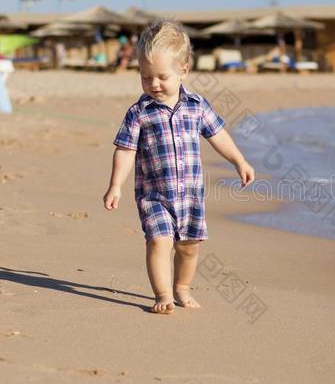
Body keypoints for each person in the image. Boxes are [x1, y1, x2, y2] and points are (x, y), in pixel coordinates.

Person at [103, 19, 255, 314]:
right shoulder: (139, 112)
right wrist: (115, 185)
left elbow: (218, 135)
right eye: (145, 77)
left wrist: (239, 160)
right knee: (159, 242)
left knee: (189, 247)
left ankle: (182, 288)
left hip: (190, 196)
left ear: (183, 70)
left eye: (162, 76)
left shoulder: (197, 106)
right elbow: (125, 150)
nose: (154, 84)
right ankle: (162, 294)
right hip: (154, 196)